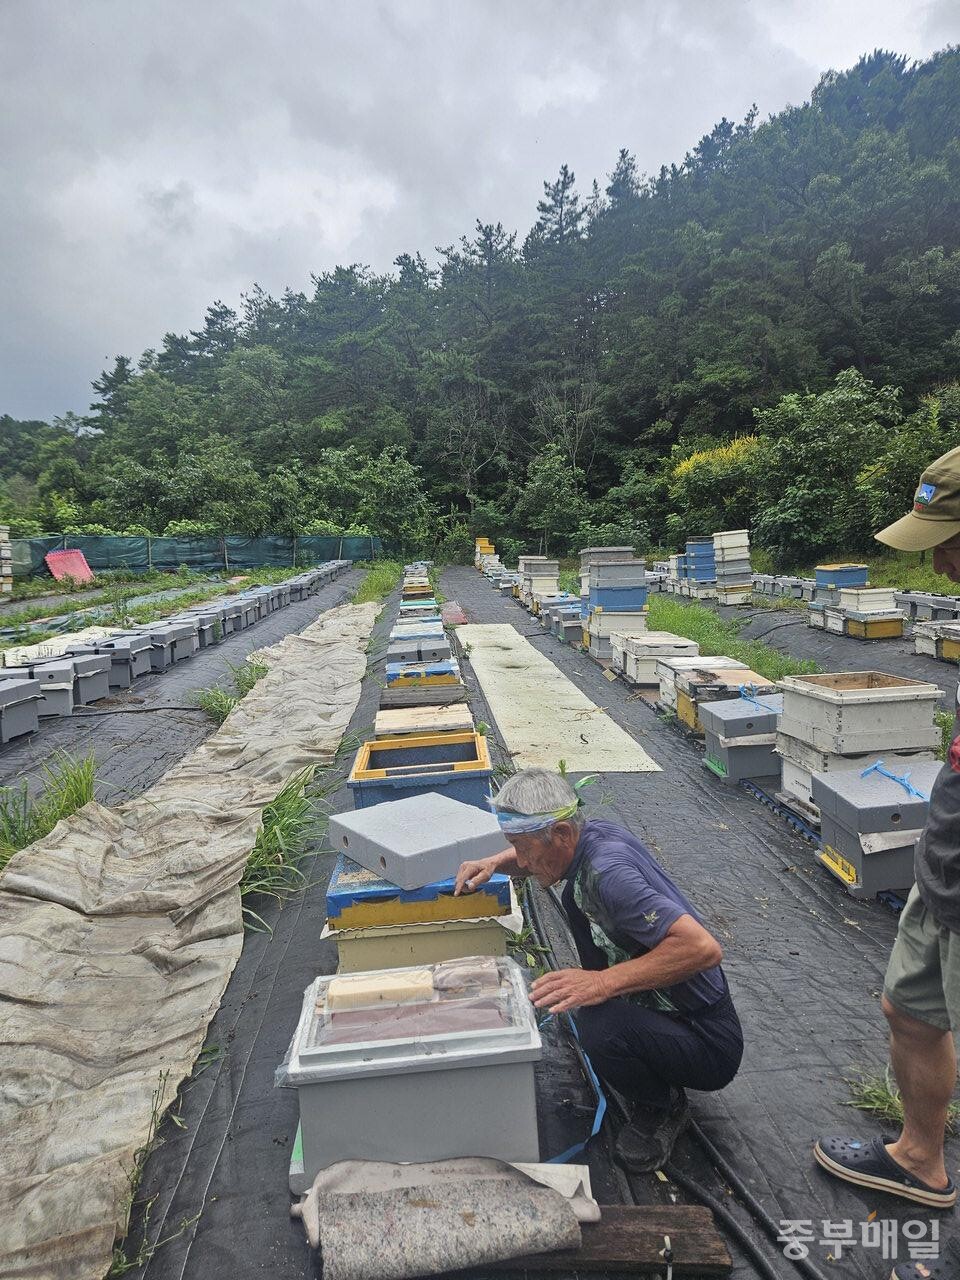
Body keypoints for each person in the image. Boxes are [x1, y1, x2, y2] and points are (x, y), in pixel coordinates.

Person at [815, 447, 960, 1280]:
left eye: (951, 538)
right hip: (945, 868)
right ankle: (919, 1157)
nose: (938, 560)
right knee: (910, 1010)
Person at [454, 767, 743, 1172]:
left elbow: (702, 947)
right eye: (512, 846)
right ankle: (644, 1042)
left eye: (521, 848)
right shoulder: (590, 835)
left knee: (600, 1026)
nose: (520, 860)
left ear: (562, 834)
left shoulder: (610, 876)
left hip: (708, 1042)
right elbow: (540, 851)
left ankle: (662, 1107)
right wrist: (494, 863)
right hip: (669, 1009)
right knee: (586, 982)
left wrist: (603, 982)